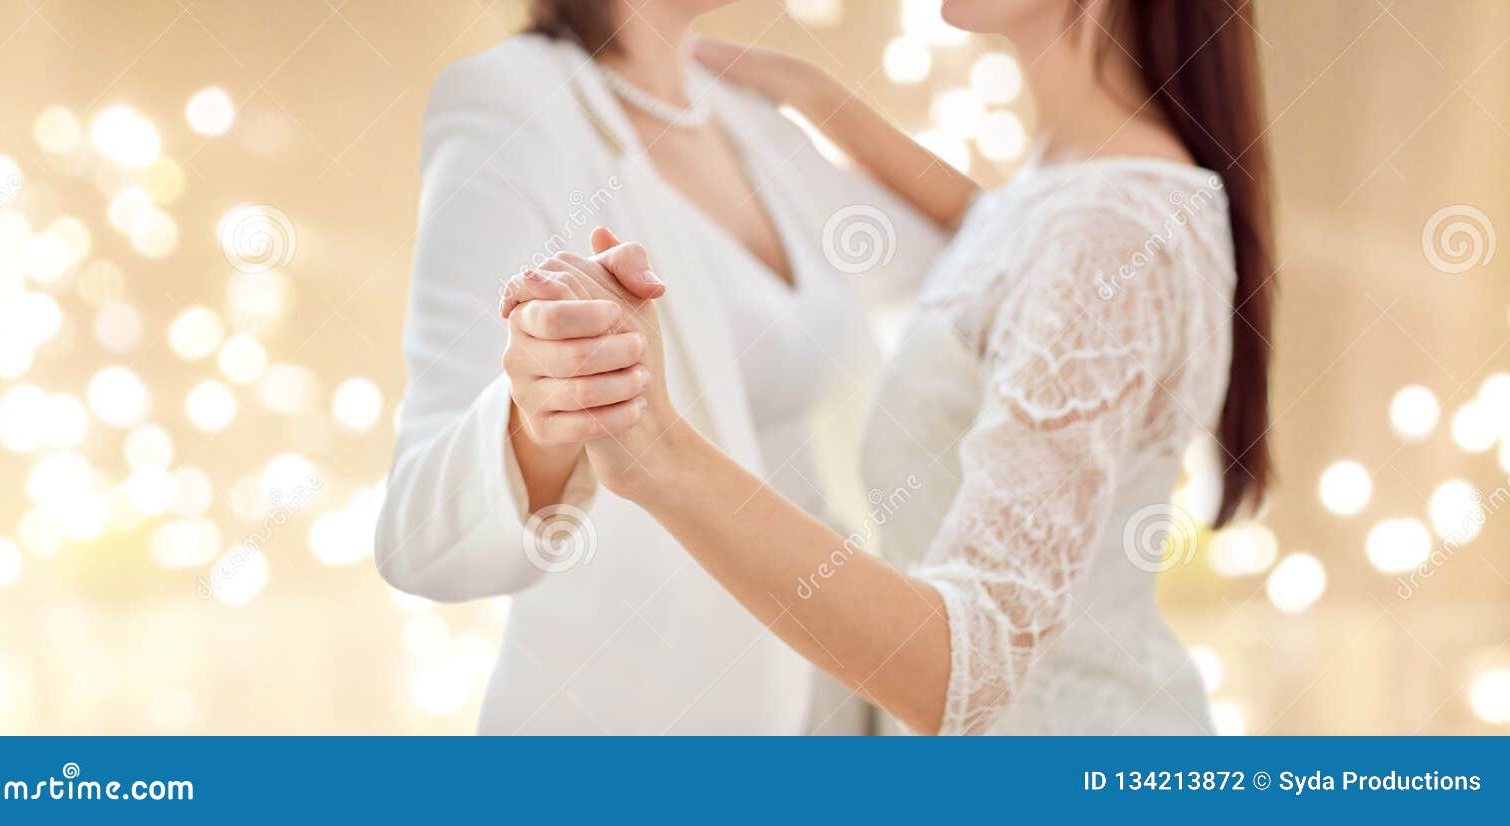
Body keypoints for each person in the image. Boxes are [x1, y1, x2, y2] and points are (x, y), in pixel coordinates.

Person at [500, 0, 1275, 734]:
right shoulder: (1077, 190)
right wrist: (816, 98)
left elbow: (966, 670)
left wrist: (659, 451)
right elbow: (998, 231)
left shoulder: (1103, 231)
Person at [373, 0, 945, 734]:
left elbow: (989, 253)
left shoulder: (746, 116)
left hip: (842, 697)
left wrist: (822, 98)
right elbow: (418, 537)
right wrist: (543, 414)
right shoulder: (511, 104)